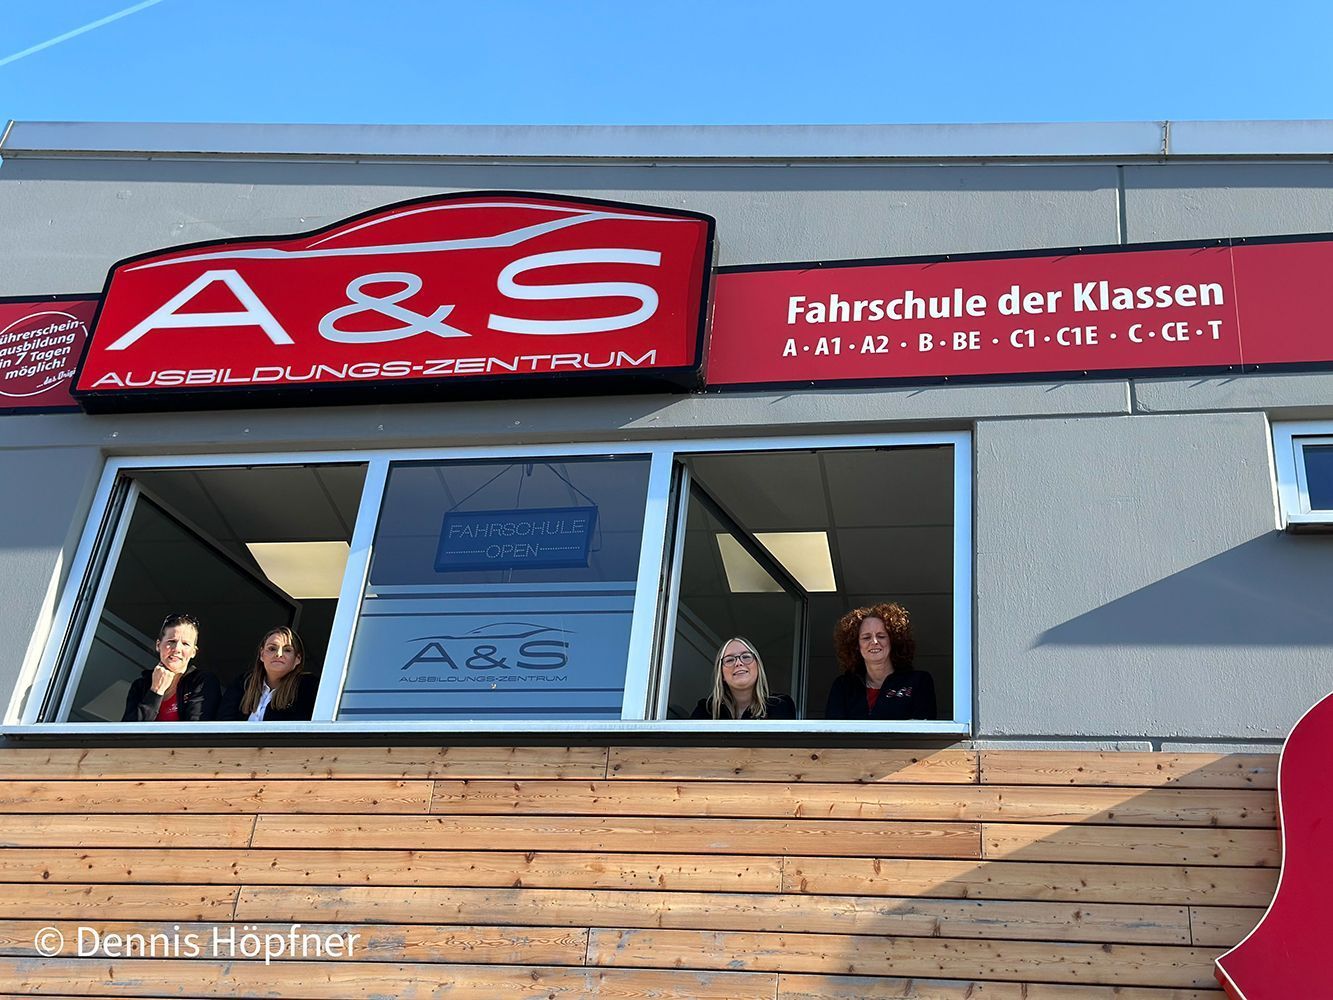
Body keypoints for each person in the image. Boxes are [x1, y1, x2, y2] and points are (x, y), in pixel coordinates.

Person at [825, 603, 935, 720]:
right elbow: (834, 734)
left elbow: (922, 731)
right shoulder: (843, 686)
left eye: (881, 636)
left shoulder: (919, 681)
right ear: (856, 645)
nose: (874, 642)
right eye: (866, 637)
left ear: (893, 641)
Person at [122, 612, 220, 721]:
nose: (177, 649)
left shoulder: (202, 682)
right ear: (158, 645)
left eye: (185, 644)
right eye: (171, 641)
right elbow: (128, 732)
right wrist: (155, 691)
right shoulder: (141, 686)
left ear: (193, 652)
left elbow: (196, 730)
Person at [220, 625, 319, 722]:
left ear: (297, 659)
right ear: (262, 655)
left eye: (287, 650)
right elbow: (223, 724)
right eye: (272, 649)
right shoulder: (243, 683)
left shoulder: (307, 687)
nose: (279, 654)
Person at [691, 637, 796, 720]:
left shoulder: (779, 705)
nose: (738, 663)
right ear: (722, 674)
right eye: (729, 660)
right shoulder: (706, 710)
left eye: (746, 657)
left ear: (758, 667)